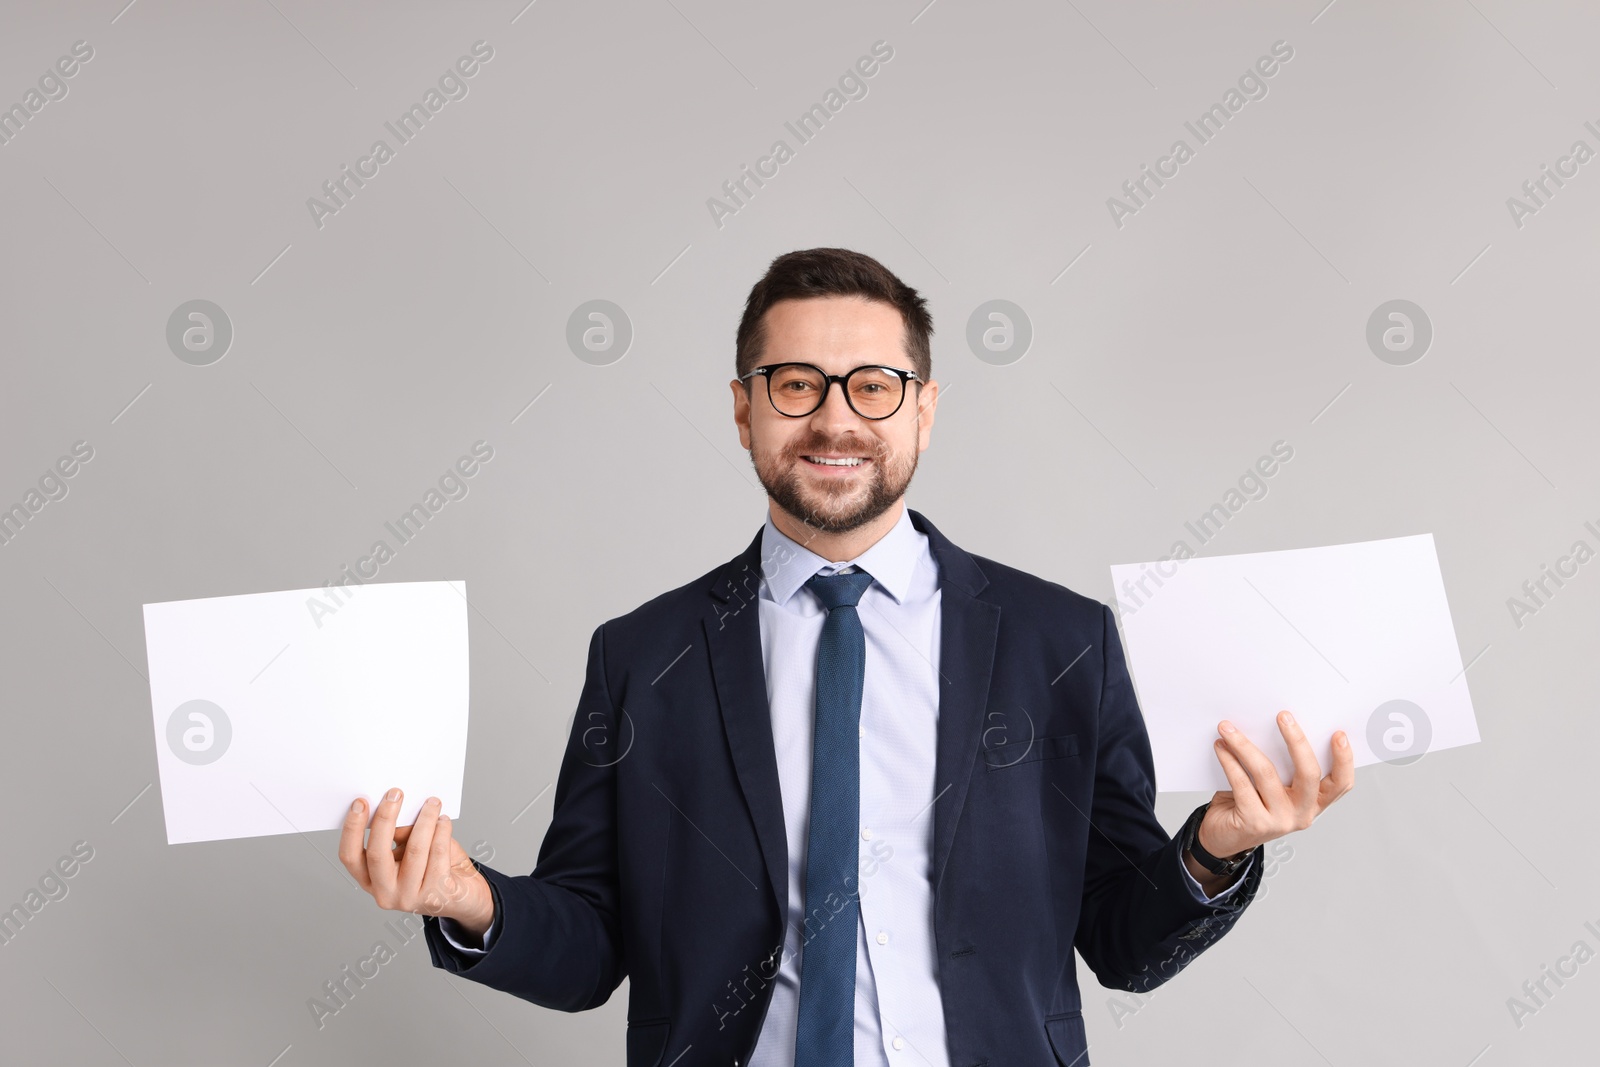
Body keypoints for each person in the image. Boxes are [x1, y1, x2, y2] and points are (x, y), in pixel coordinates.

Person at [339, 247, 1354, 1066]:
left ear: (923, 406)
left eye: (873, 385)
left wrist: (1215, 845)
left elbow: (1123, 943)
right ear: (743, 408)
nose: (834, 418)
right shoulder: (643, 656)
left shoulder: (1059, 641)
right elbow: (593, 945)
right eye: (795, 384)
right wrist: (470, 899)